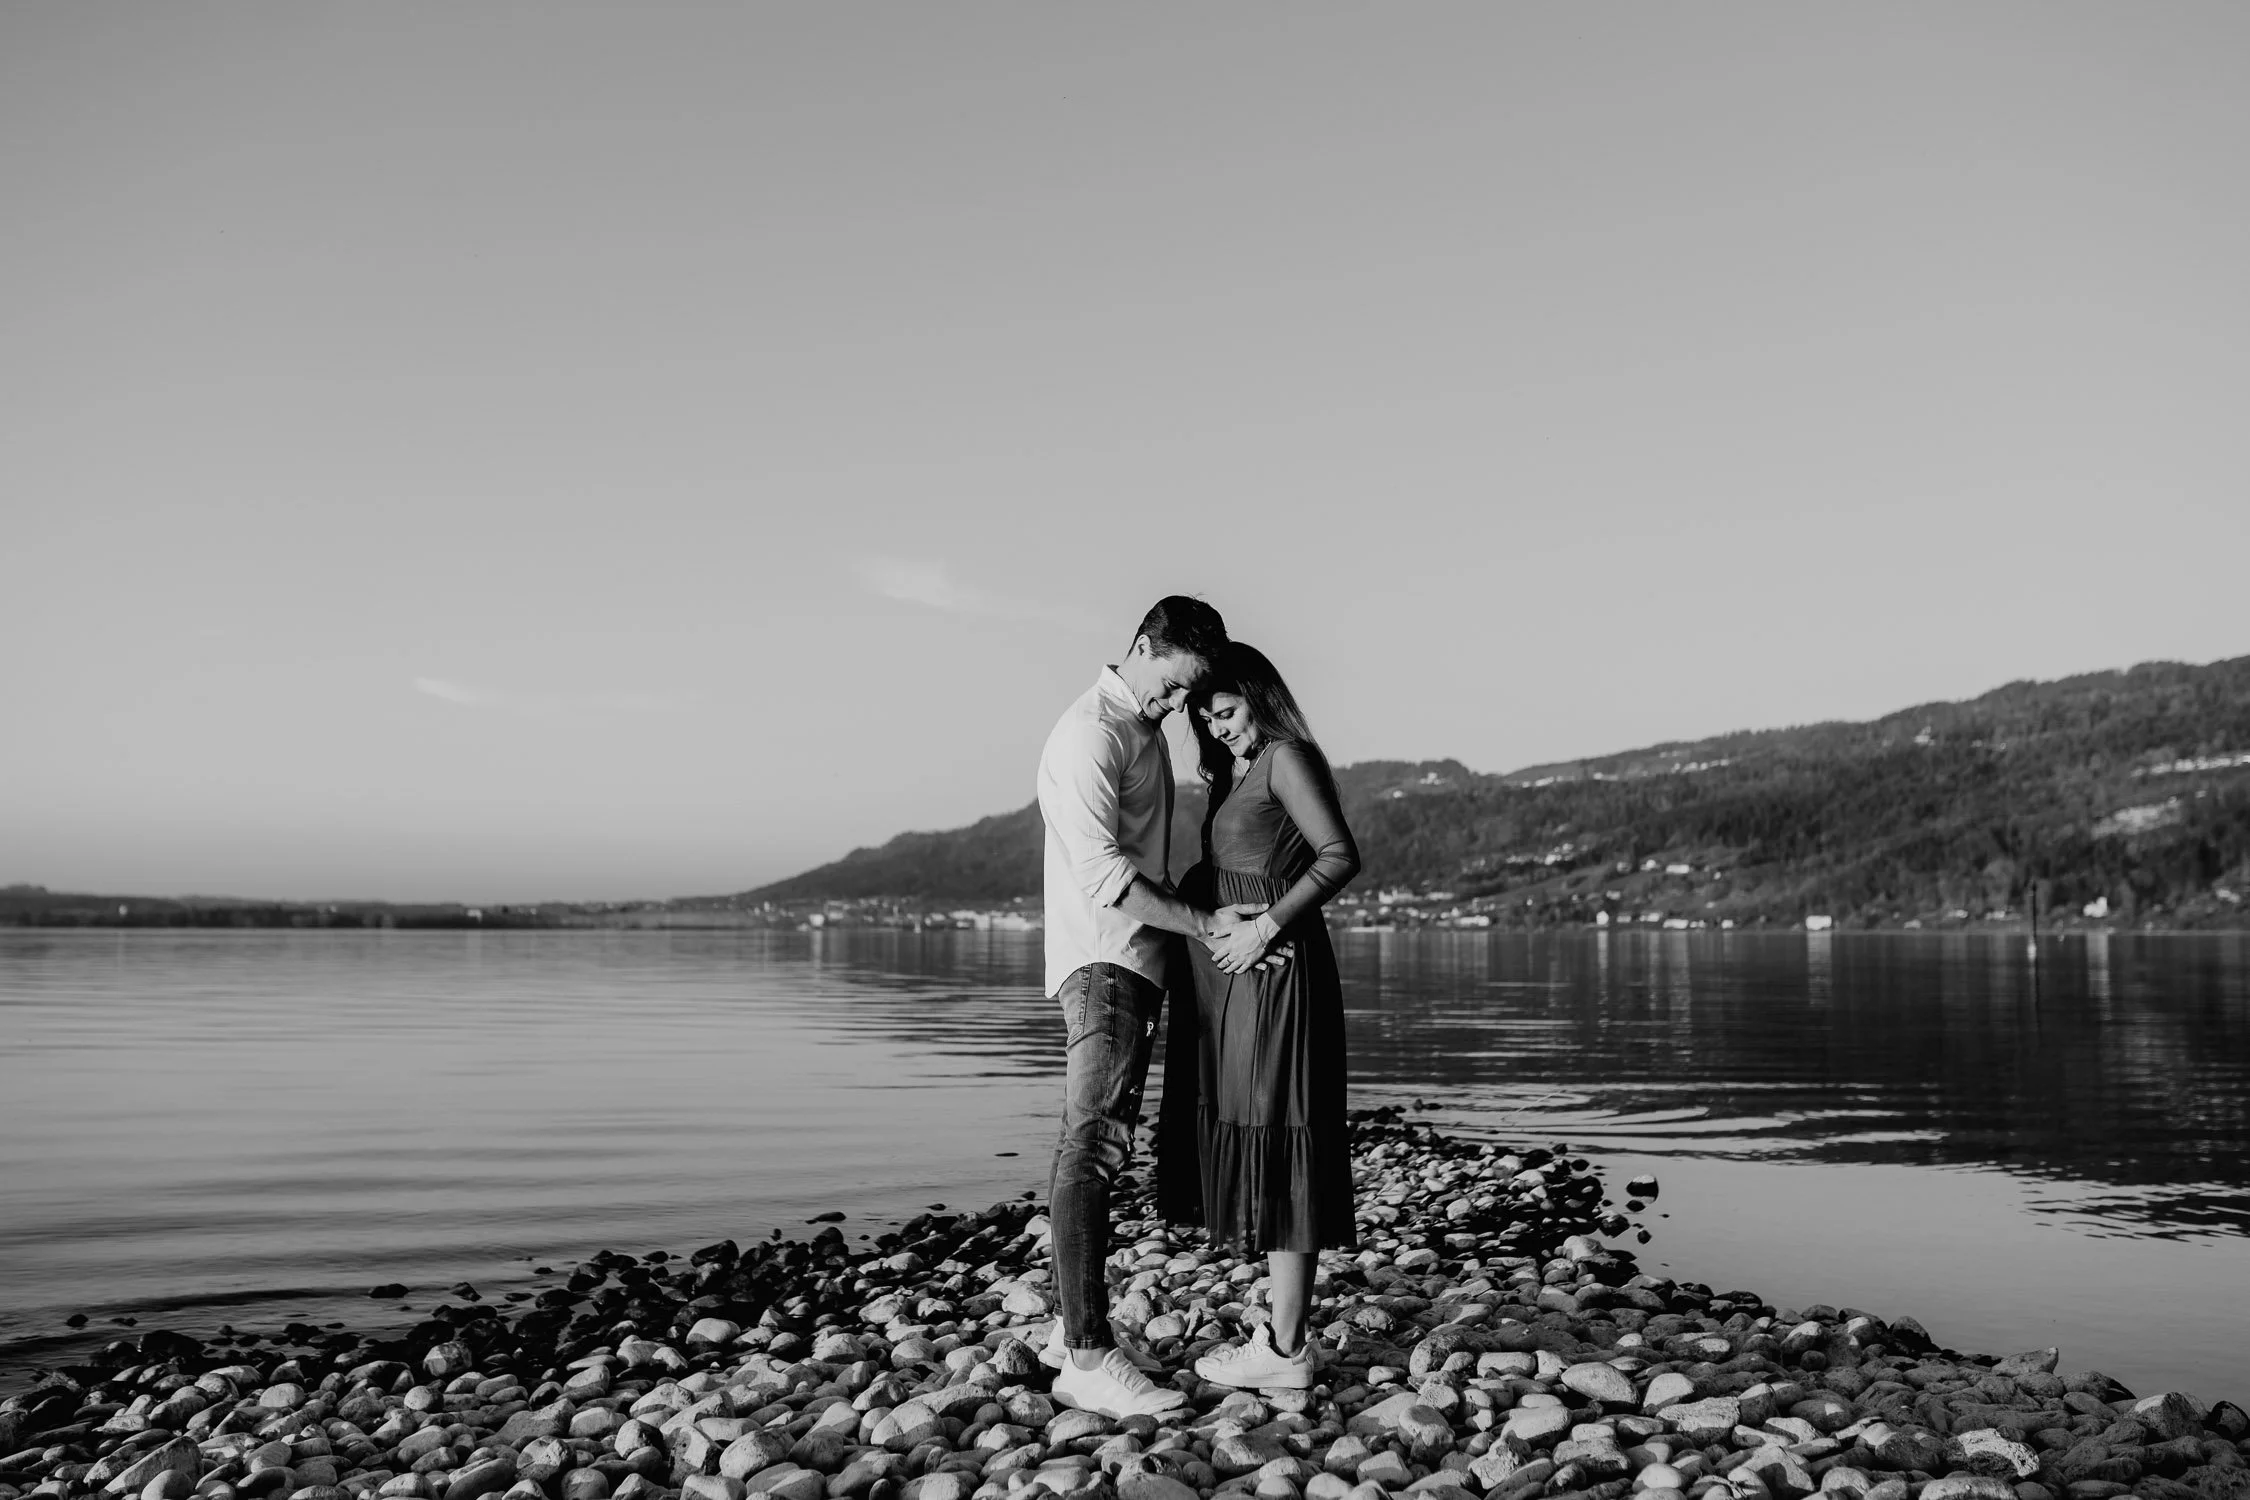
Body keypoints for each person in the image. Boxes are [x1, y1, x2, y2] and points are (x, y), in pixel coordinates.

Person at [1034, 596, 1283, 1417]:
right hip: (1104, 962)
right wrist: (1208, 921)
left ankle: (1081, 1328)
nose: (1175, 708)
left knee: (1098, 1147)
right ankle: (1086, 1356)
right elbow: (1104, 875)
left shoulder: (1136, 731)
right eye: (1171, 687)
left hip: (1133, 963)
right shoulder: (1090, 735)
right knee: (1093, 1148)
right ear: (1141, 646)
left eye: (1187, 696)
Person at [1176, 642, 1362, 1390]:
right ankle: (1283, 1335)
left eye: (1225, 710)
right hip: (1243, 987)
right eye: (1205, 718)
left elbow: (1339, 854)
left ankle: (1285, 1351)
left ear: (1259, 696)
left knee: (1288, 1142)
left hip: (1279, 977)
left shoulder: (1287, 756)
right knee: (1269, 1138)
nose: (1217, 727)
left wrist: (1265, 927)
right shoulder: (1237, 775)